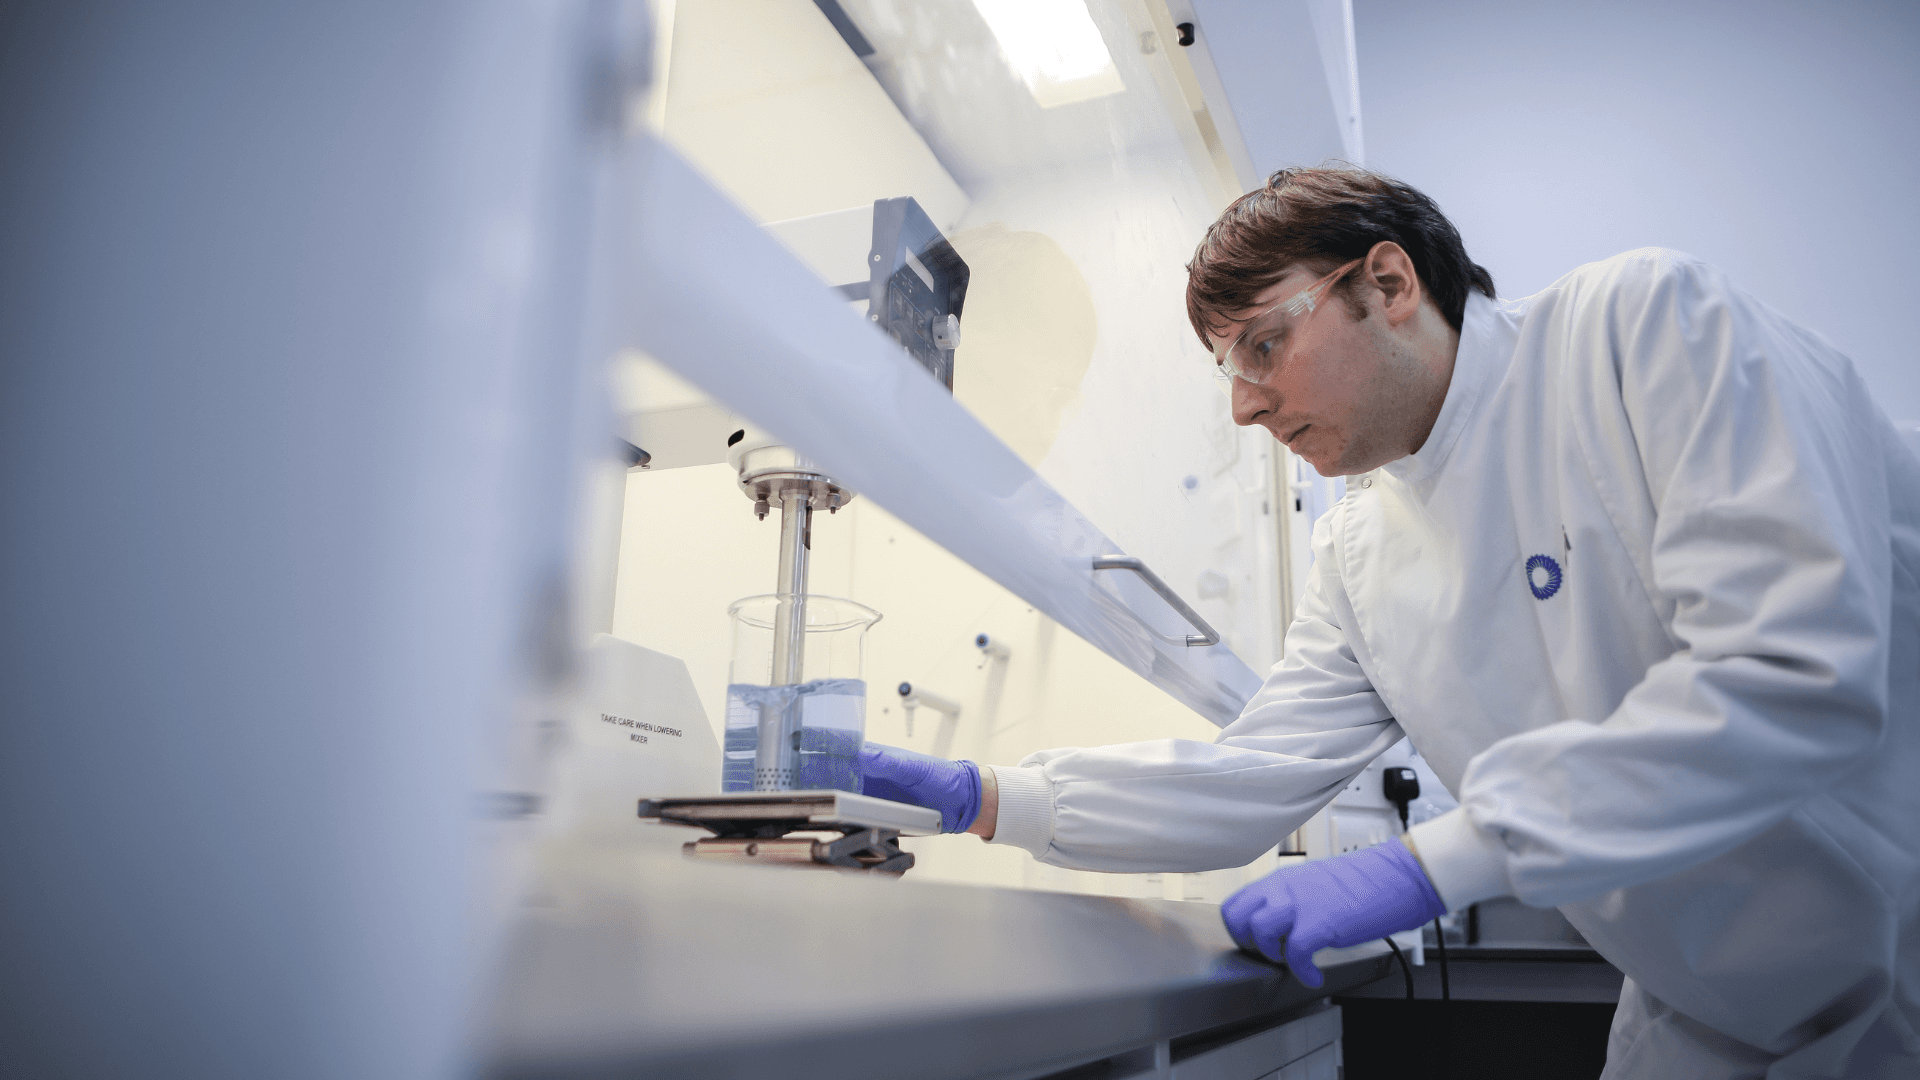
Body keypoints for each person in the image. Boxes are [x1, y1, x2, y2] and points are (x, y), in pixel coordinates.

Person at [859, 167, 1920, 1078]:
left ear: (1389, 282)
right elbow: (1253, 779)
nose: (1244, 406)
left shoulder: (1645, 328)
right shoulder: (1361, 546)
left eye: (1265, 344)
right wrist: (988, 797)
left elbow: (1793, 675)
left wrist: (1429, 865)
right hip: (1709, 1015)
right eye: (1228, 367)